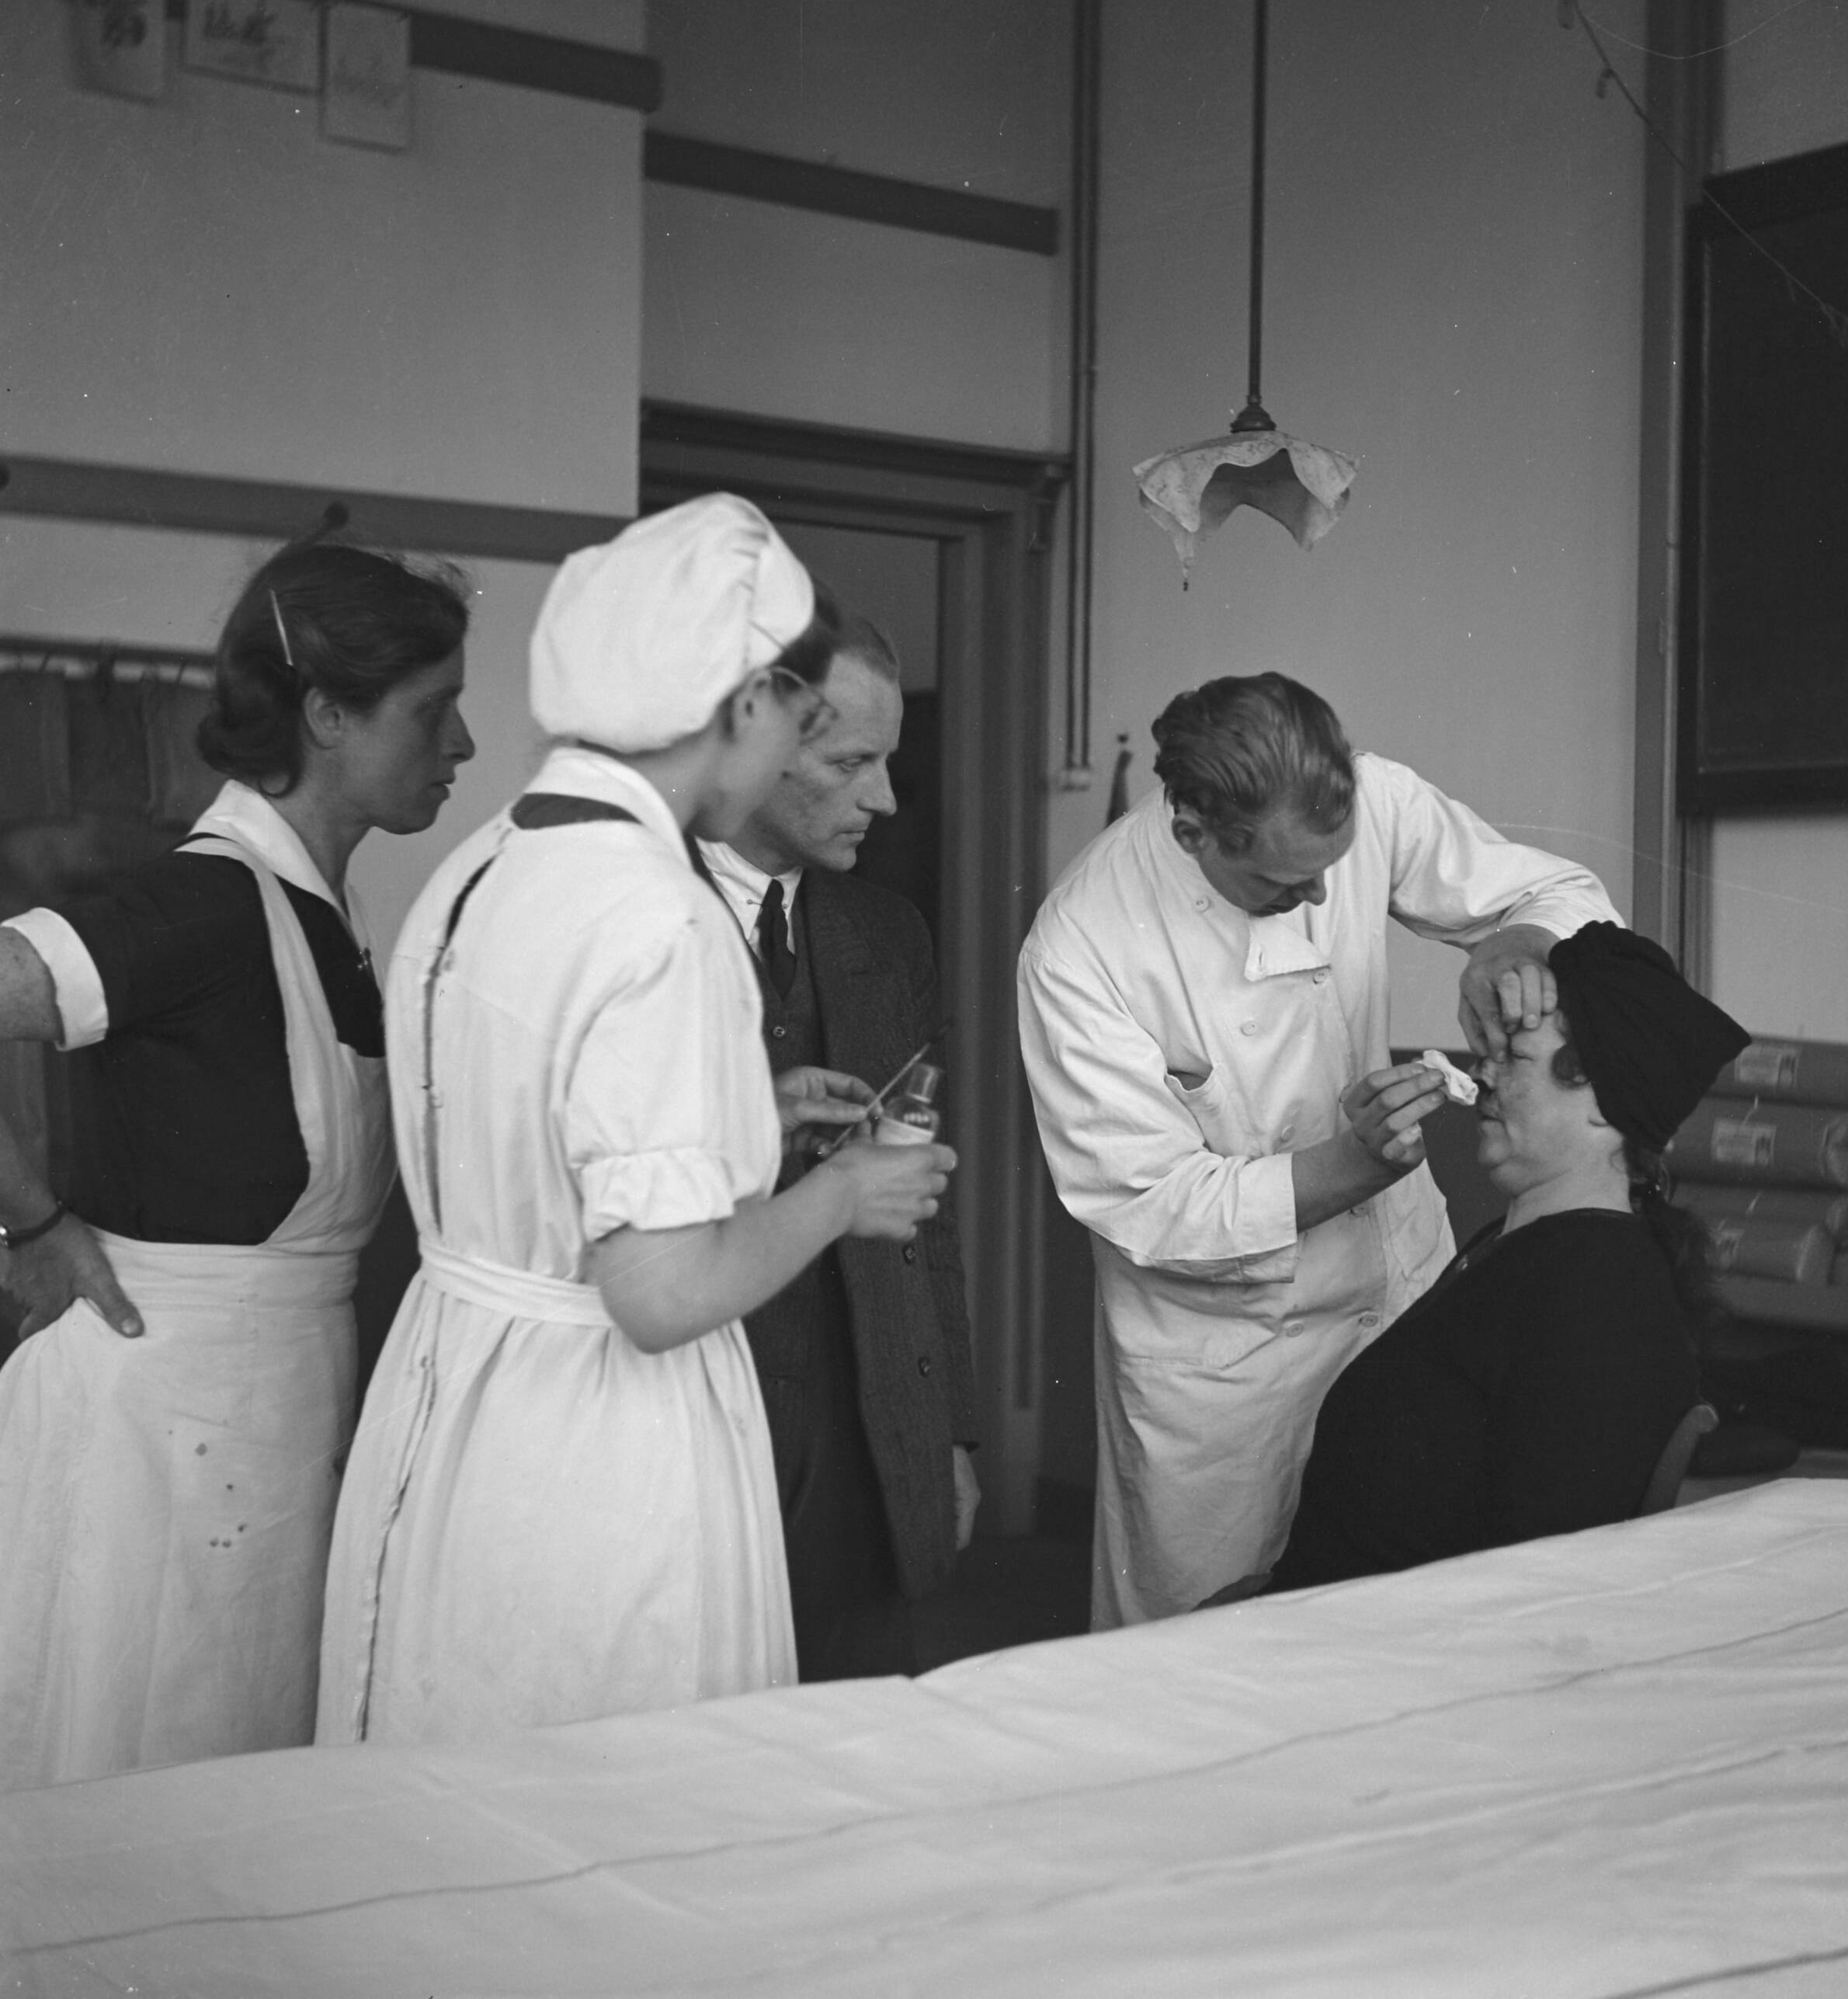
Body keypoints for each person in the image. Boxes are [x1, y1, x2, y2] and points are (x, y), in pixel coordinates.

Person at [318, 495, 954, 1747]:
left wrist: (741, 1114)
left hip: (458, 1401)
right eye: (800, 726)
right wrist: (841, 1193)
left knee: (460, 1763)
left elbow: (536, 1124)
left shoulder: (483, 862)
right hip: (595, 1437)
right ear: (745, 704)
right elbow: (656, 1292)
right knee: (617, 1778)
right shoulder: (660, 914)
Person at [0, 539, 473, 1789]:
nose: (463, 744)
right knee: (148, 1792)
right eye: (432, 709)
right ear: (327, 715)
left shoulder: (322, 916)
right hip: (161, 1426)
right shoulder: (205, 906)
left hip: (270, 1415)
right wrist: (28, 1222)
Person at [1016, 671, 1620, 1628]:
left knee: (1399, 1617)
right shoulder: (1080, 946)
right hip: (1224, 1373)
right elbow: (1147, 1204)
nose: (1319, 896)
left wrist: (1515, 944)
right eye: (1281, 881)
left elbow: (1560, 893)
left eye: (1332, 867)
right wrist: (1349, 1166)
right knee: (1207, 1651)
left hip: (1397, 1309)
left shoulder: (1377, 799)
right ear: (1192, 831)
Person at [1266, 922, 1750, 1592]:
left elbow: (1539, 1571)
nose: (1481, 1074)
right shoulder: (1524, 1247)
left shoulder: (1599, 1293)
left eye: (1513, 1057)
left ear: (1604, 1108)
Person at [700, 615, 978, 1679]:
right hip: (697, 1413)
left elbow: (919, 1204)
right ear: (759, 738)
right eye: (852, 763)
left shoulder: (886, 934)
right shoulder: (642, 921)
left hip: (866, 1436)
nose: (886, 799)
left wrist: (945, 1430)